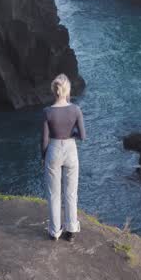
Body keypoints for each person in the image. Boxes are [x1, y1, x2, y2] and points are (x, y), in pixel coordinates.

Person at [42, 74, 85, 241]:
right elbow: (82, 135)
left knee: (54, 194)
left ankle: (55, 232)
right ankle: (71, 231)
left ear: (54, 91)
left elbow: (44, 139)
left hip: (53, 148)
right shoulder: (76, 110)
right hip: (70, 149)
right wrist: (70, 133)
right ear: (67, 91)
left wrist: (43, 156)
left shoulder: (47, 112)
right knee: (71, 193)